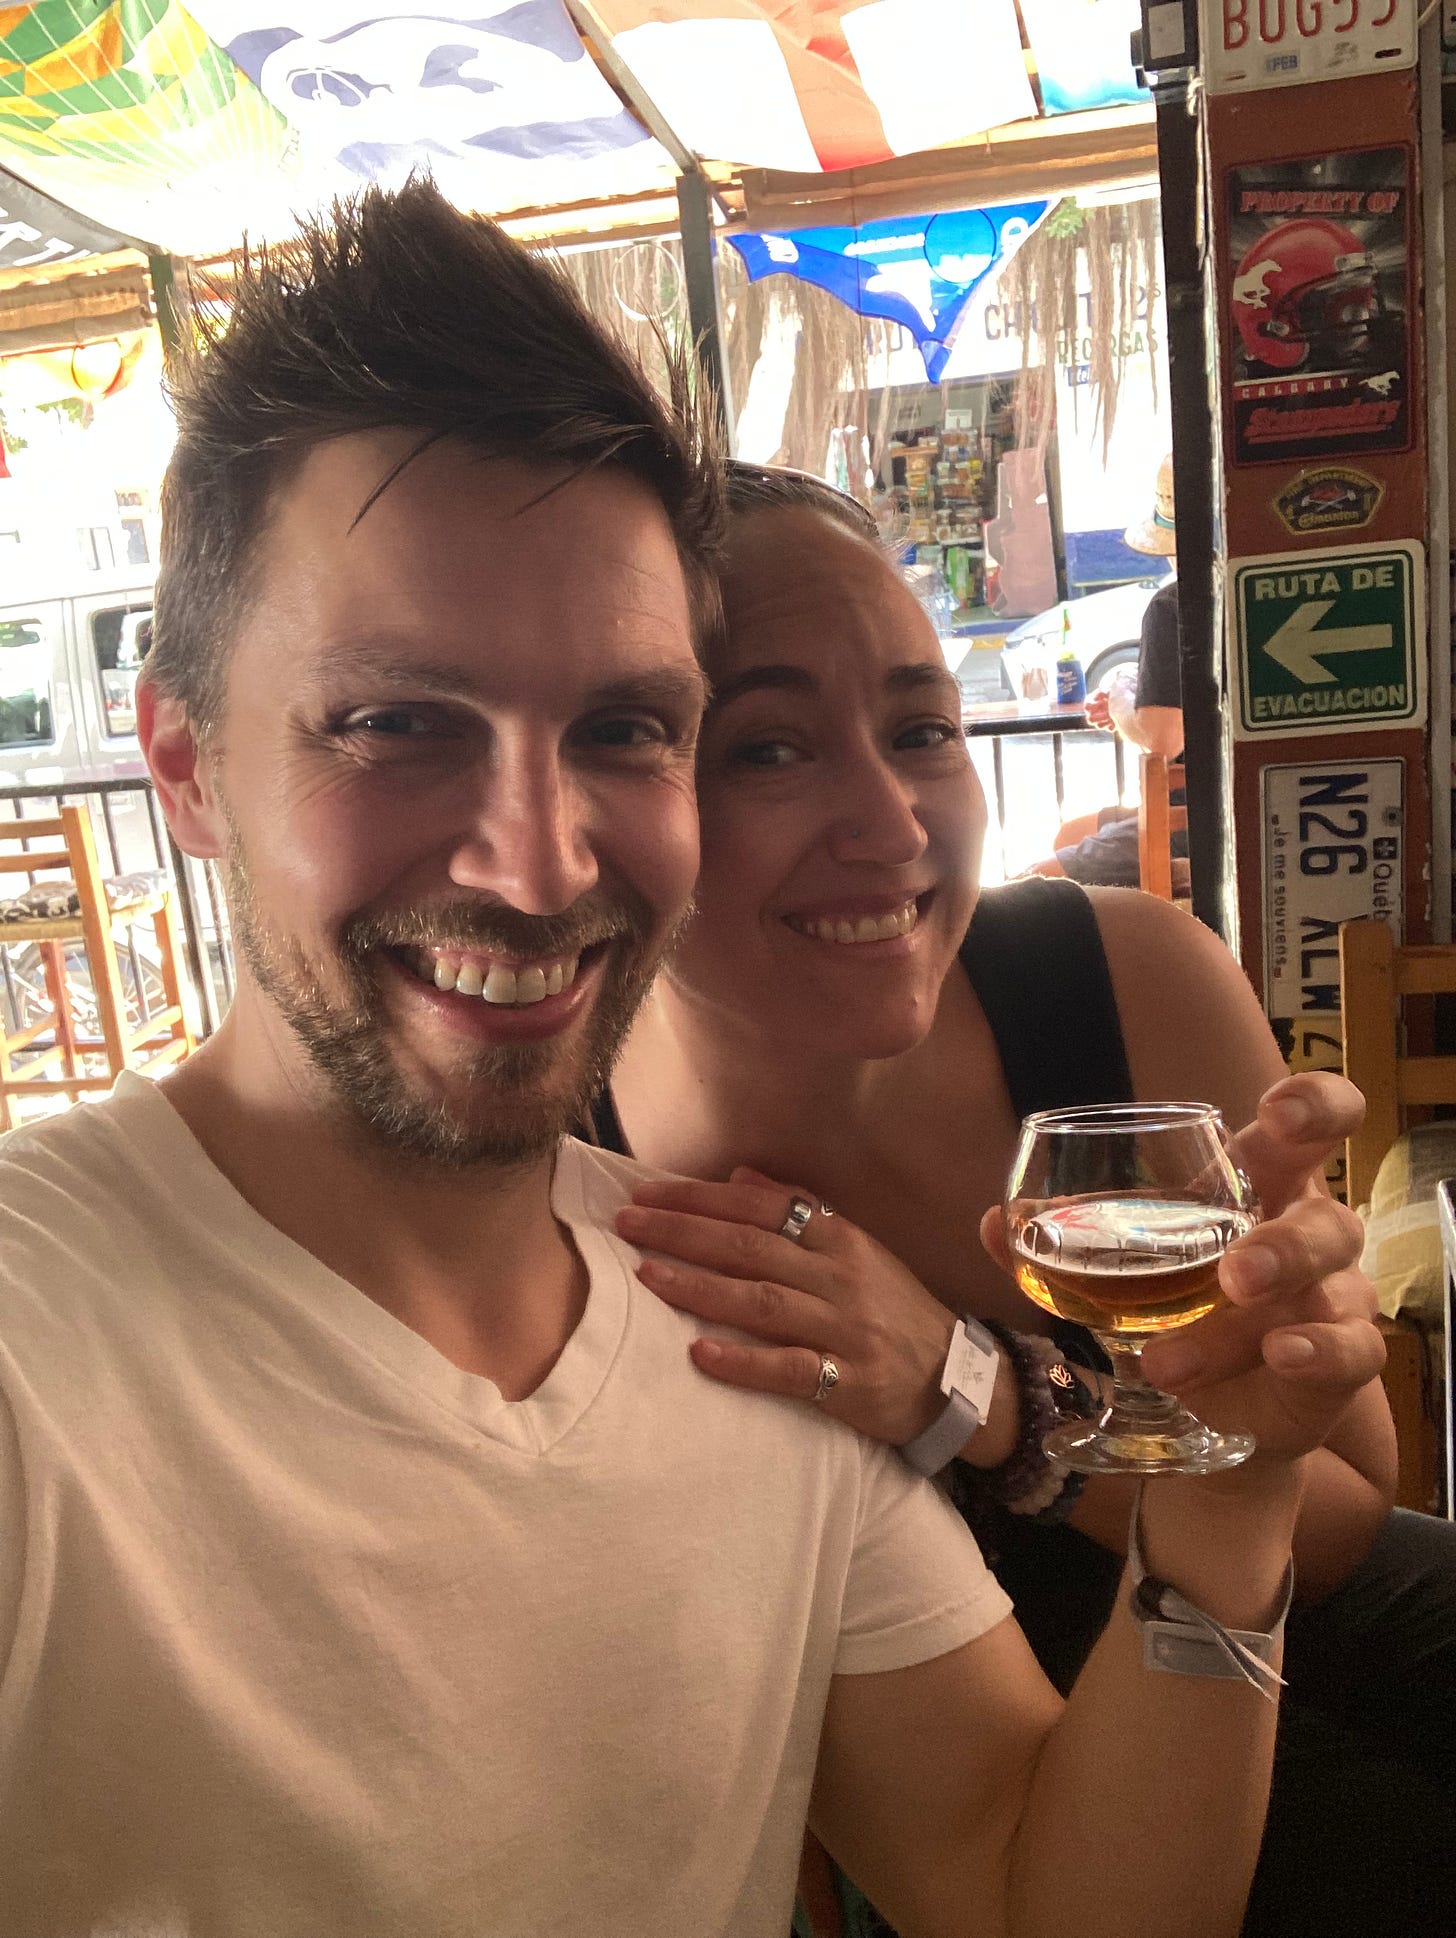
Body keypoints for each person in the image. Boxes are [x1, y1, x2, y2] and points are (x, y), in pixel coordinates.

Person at [0, 186, 1381, 1938]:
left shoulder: (733, 1301)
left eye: (624, 727)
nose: (537, 861)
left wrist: (1220, 1512)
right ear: (187, 765)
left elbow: (1043, 1897)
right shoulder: (39, 1340)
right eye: (397, 722)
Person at [602, 463, 1455, 1938]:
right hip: (953, 1733)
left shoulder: (1122, 981)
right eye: (767, 749)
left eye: (921, 730)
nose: (892, 823)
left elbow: (1336, 1518)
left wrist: (977, 1390)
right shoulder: (582, 1182)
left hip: (1268, 1567)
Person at [1027, 453, 1184, 887]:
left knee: (1037, 880)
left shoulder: (1173, 605)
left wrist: (1119, 696)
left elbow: (1163, 739)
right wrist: (1134, 700)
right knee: (1069, 834)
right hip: (1202, 799)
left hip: (1196, 814)